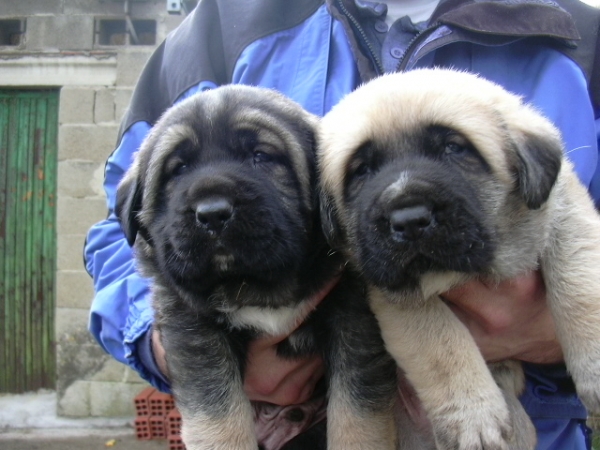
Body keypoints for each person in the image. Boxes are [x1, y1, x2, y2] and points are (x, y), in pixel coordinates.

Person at [84, 0, 600, 448]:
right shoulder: (221, 27)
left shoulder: (579, 38)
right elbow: (122, 226)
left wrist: (561, 329)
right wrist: (166, 340)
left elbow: (571, 211)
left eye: (264, 156)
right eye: (359, 170)